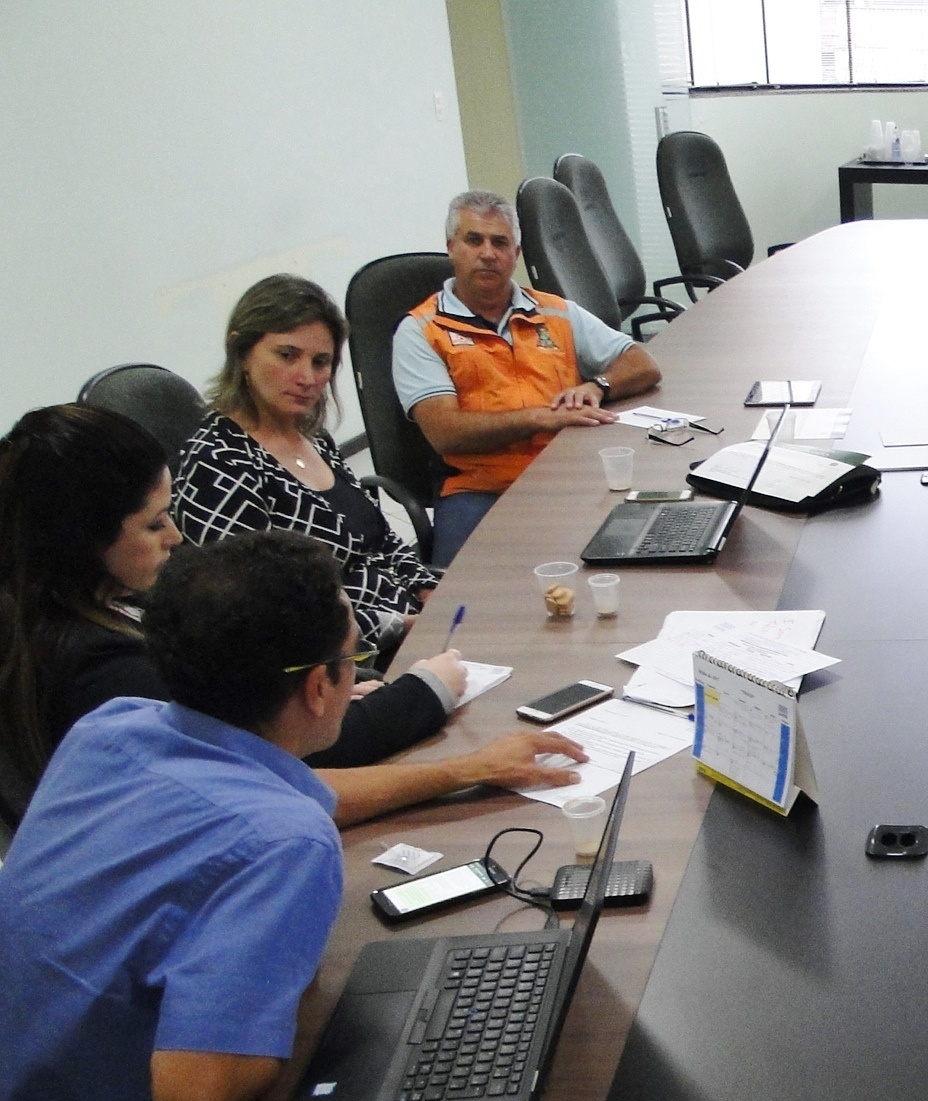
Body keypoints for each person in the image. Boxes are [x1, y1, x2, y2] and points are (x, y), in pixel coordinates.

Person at [0, 534, 356, 1101]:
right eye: (352, 654)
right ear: (318, 689)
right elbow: (191, 1100)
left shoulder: (111, 728)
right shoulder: (285, 842)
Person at [0, 404, 585, 830]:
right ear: (84, 538)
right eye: (153, 524)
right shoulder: (105, 678)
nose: (176, 537)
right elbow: (288, 788)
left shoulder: (88, 607)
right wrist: (468, 767)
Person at [392, 190, 662, 565]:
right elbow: (444, 430)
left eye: (500, 242)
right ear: (451, 248)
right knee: (460, 613)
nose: (488, 253)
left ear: (515, 255)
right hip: (480, 490)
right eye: (474, 240)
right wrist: (539, 417)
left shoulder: (555, 312)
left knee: (643, 553)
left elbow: (642, 363)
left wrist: (595, 386)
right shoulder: (420, 330)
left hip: (568, 477)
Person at [175, 274, 436, 651]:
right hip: (338, 663)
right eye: (287, 355)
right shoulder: (217, 464)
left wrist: (429, 589)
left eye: (321, 362)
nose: (307, 378)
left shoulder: (313, 436)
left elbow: (381, 540)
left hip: (413, 630)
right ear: (241, 352)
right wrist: (397, 625)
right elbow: (263, 611)